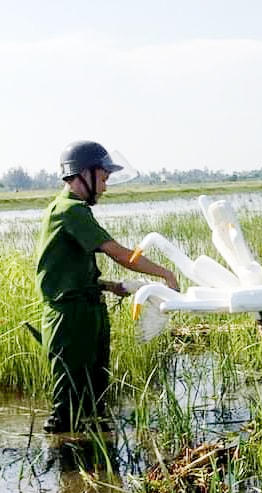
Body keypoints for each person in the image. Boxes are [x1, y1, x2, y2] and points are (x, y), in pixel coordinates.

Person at [36, 141, 179, 433]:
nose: (104, 187)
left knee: (94, 391)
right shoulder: (69, 210)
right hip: (70, 315)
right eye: (102, 178)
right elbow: (120, 253)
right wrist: (165, 273)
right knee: (69, 399)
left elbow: (67, 269)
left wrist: (110, 285)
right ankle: (67, 460)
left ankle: (96, 453)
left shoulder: (73, 211)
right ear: (83, 174)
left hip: (87, 309)